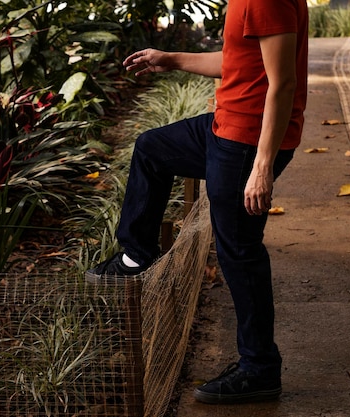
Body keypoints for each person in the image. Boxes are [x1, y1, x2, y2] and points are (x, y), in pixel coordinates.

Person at [85, 0, 309, 405]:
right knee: (152, 148)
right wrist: (171, 59)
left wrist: (262, 166)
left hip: (245, 143)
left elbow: (284, 83)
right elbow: (238, 61)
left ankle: (259, 369)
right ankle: (137, 255)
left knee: (239, 252)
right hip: (225, 127)